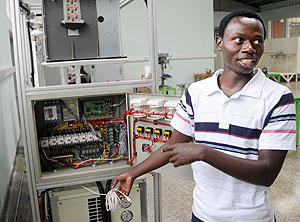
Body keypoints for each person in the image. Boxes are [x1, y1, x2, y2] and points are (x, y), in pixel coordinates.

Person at [112, 10, 296, 222]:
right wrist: (133, 172)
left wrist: (204, 152)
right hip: (203, 215)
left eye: (257, 41)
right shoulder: (196, 92)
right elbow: (173, 145)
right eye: (239, 40)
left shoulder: (277, 97)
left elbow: (266, 174)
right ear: (220, 43)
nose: (249, 48)